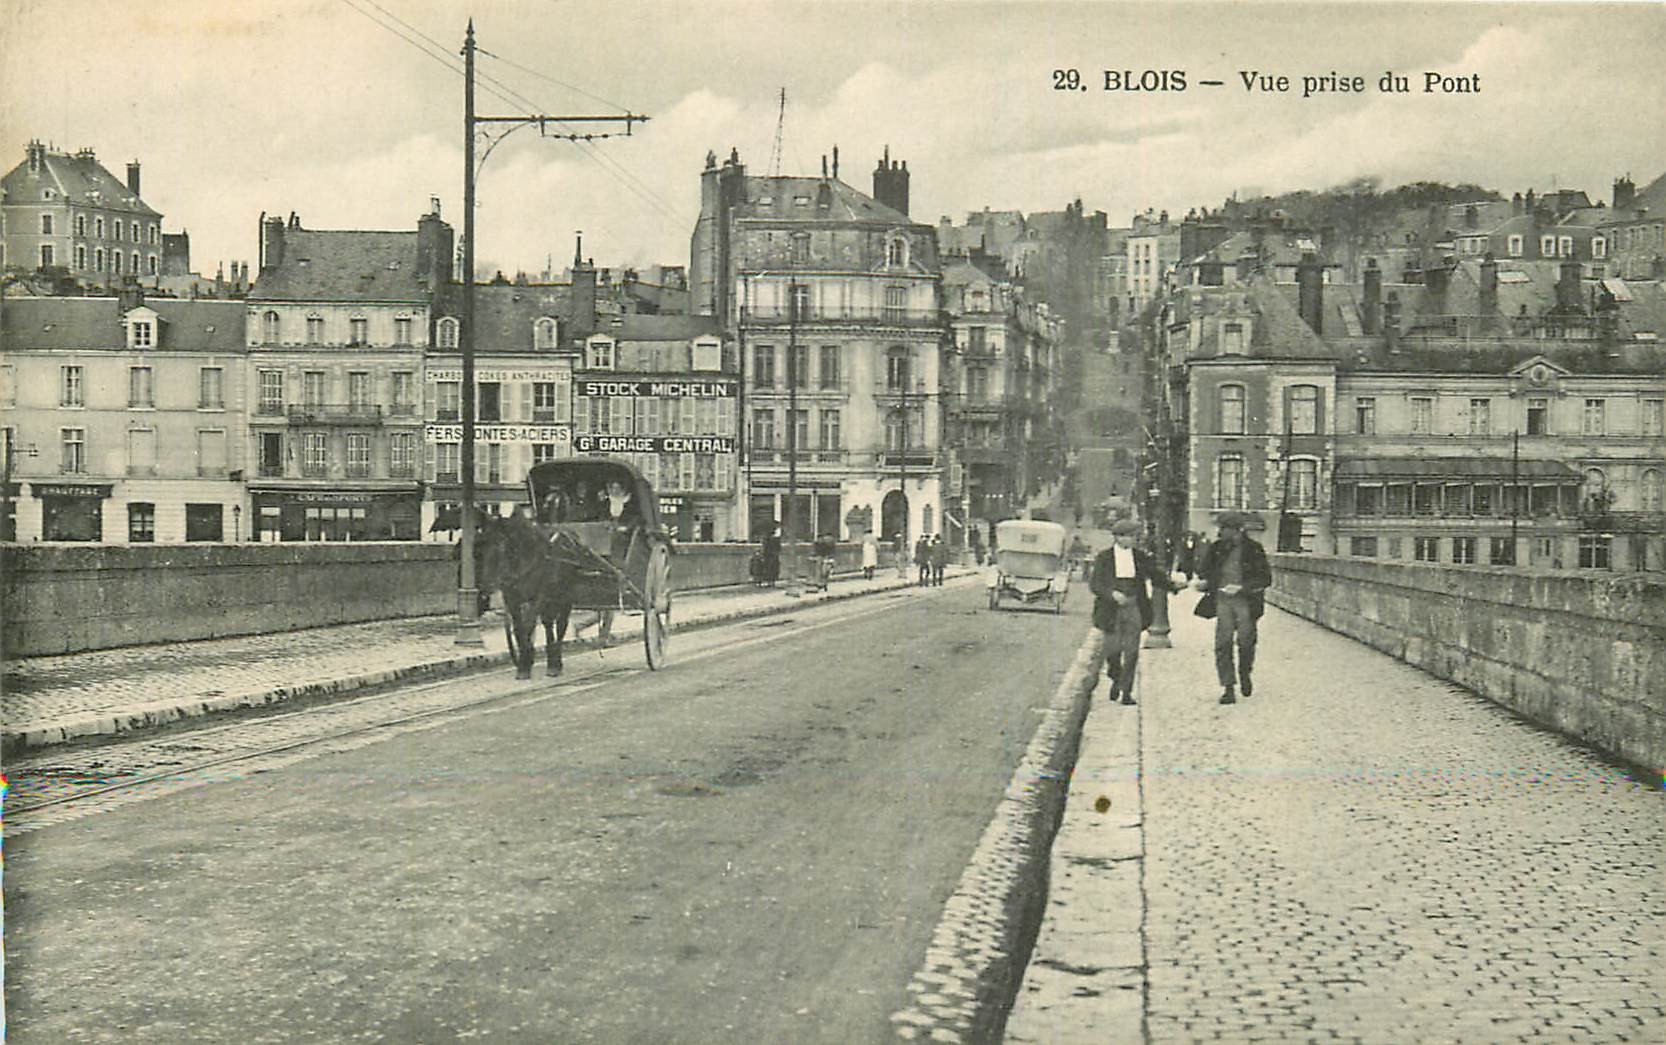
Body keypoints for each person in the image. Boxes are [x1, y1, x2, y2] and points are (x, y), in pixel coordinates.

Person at [1194, 512, 1273, 705]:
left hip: (1246, 602)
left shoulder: (1254, 549)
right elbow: (1204, 570)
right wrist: (1205, 582)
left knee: (1246, 642)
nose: (1220, 532)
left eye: (1224, 528)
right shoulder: (1217, 548)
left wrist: (1242, 587)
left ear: (1236, 530)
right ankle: (1228, 687)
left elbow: (1265, 578)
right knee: (1223, 643)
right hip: (1222, 601)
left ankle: (1245, 673)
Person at [1091, 520, 1158, 705]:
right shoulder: (1104, 558)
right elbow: (1095, 584)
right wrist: (1111, 594)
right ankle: (1116, 678)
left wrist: (1173, 585)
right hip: (1111, 610)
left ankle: (1126, 692)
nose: (1132, 540)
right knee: (1112, 650)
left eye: (1134, 536)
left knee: (1132, 652)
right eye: (1128, 536)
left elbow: (1155, 574)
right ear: (1118, 537)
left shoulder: (1140, 557)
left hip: (1134, 607)